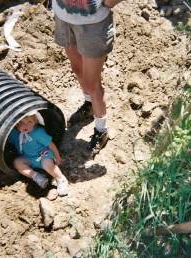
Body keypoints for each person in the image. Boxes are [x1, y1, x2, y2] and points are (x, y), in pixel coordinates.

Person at [52, 0, 125, 159]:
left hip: (93, 24)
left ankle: (101, 130)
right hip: (64, 16)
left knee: (92, 83)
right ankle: (89, 105)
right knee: (77, 69)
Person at [7, 111, 68, 196]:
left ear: (35, 122)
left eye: (30, 122)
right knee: (17, 162)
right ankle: (36, 176)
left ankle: (60, 178)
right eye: (21, 122)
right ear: (16, 123)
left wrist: (57, 157)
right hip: (28, 158)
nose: (25, 126)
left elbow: (50, 144)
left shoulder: (38, 133)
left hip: (42, 154)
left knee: (47, 163)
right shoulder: (14, 133)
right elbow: (4, 142)